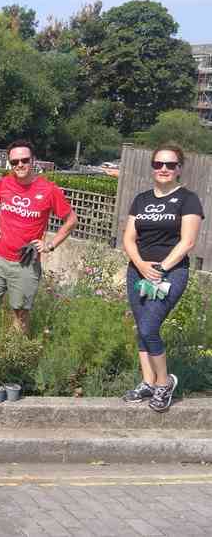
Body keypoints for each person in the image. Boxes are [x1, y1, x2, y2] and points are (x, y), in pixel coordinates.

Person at [122, 144, 203, 412]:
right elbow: (129, 238)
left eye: (170, 165)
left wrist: (159, 268)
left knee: (149, 327)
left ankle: (165, 382)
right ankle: (148, 382)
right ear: (153, 167)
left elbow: (188, 241)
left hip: (171, 272)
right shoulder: (142, 199)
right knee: (140, 328)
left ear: (179, 168)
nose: (164, 169)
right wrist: (141, 265)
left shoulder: (188, 199)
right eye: (158, 164)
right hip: (138, 270)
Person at [0, 139, 77, 332]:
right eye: (14, 162)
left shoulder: (49, 190)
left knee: (21, 313)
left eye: (24, 160)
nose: (19, 165)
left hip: (26, 263)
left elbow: (71, 220)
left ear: (33, 160)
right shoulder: (5, 184)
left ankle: (14, 355)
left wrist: (51, 245)